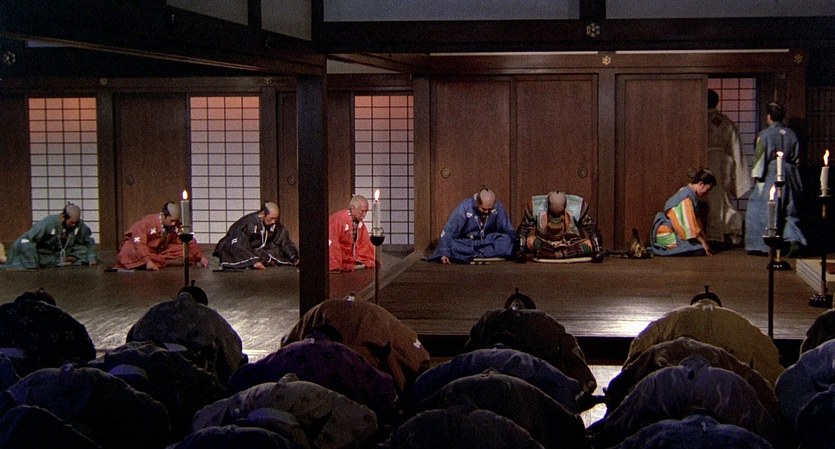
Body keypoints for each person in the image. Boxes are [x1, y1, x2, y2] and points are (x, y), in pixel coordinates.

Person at [745, 101, 807, 255]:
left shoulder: (764, 135)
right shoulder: (791, 134)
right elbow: (797, 158)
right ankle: (793, 240)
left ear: (768, 117)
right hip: (790, 172)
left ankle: (762, 245)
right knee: (790, 209)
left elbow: (760, 159)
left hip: (771, 172)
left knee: (763, 208)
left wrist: (757, 177)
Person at [706, 89, 751, 246]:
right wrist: (737, 170)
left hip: (708, 159)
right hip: (723, 162)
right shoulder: (725, 122)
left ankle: (716, 232)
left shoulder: (697, 119)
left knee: (714, 199)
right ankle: (726, 230)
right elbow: (735, 147)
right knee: (721, 197)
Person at [428, 188, 516, 264]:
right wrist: (444, 253)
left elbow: (507, 228)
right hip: (468, 243)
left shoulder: (498, 207)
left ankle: (474, 254)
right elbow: (449, 230)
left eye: (490, 209)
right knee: (452, 245)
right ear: (477, 203)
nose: (487, 212)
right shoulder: (465, 207)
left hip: (488, 241)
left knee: (506, 240)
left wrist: (516, 246)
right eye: (484, 209)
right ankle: (482, 254)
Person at [113, 201, 209, 270]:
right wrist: (148, 261)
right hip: (141, 247)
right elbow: (139, 242)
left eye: (175, 221)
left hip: (160, 250)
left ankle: (158, 260)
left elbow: (186, 238)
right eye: (171, 220)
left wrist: (200, 256)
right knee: (128, 251)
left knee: (185, 250)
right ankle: (155, 261)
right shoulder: (148, 221)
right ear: (163, 216)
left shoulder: (175, 225)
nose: (174, 223)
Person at [515, 190, 604, 262]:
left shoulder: (576, 207)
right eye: (553, 213)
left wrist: (597, 249)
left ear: (565, 205)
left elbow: (592, 229)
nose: (556, 216)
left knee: (589, 244)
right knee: (530, 241)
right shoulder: (536, 207)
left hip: (570, 244)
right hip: (546, 243)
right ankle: (561, 254)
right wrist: (520, 250)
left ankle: (556, 254)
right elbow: (523, 229)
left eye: (560, 213)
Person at [4, 203, 97, 269]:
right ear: (63, 217)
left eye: (75, 223)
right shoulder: (48, 223)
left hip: (65, 250)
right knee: (29, 249)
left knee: (84, 251)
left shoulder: (79, 224)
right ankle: (59, 260)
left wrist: (92, 259)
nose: (74, 225)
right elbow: (28, 239)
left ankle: (61, 260)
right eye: (71, 222)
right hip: (46, 251)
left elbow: (88, 241)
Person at [650, 168, 716, 256]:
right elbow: (689, 225)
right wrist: (703, 242)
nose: (706, 193)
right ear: (701, 184)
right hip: (667, 233)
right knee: (699, 248)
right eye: (707, 190)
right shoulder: (685, 197)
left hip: (674, 232)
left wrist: (704, 240)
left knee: (701, 245)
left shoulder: (687, 193)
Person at [214, 202, 299, 270]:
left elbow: (284, 241)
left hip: (259, 250)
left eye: (275, 219)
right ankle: (251, 261)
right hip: (243, 248)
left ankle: (258, 259)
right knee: (234, 246)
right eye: (271, 218)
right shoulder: (248, 222)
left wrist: (294, 258)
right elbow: (237, 240)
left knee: (278, 251)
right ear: (263, 214)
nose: (273, 221)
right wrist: (253, 261)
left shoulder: (275, 225)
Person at [328, 195, 375, 272]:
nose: (364, 215)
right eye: (362, 211)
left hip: (351, 259)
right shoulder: (338, 220)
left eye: (366, 212)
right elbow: (332, 242)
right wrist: (335, 263)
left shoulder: (359, 223)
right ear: (352, 208)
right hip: (339, 258)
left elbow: (364, 243)